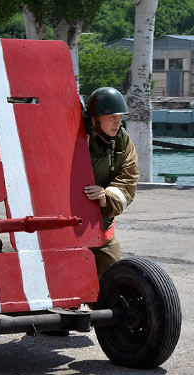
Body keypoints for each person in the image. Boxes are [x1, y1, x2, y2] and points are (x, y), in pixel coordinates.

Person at [83, 87, 139, 279]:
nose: (117, 122)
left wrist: (106, 197)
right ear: (94, 119)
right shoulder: (74, 137)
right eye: (111, 117)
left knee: (114, 282)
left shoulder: (121, 142)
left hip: (101, 228)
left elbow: (128, 180)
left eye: (119, 117)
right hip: (66, 227)